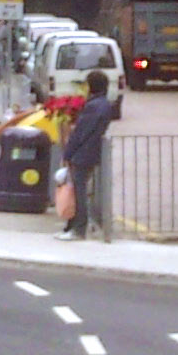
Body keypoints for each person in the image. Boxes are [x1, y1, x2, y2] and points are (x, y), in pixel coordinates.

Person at [57, 68, 116, 240]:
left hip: (83, 154)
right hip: (92, 152)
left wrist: (68, 153)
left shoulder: (93, 106)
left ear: (91, 86)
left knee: (78, 192)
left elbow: (80, 133)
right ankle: (73, 227)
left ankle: (78, 229)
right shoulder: (105, 104)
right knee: (80, 190)